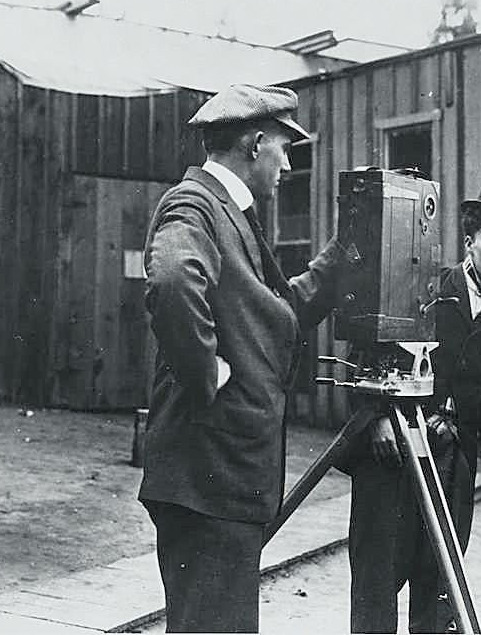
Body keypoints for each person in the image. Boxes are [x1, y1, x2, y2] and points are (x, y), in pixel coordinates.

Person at [138, 84, 348, 633]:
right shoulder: (196, 204)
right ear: (255, 143)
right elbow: (171, 278)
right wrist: (207, 372)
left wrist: (347, 248)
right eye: (284, 146)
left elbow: (280, 310)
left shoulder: (231, 212)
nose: (288, 161)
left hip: (224, 478)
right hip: (208, 476)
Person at [347, 175, 481, 633]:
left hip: (453, 468)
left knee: (440, 586)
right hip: (393, 456)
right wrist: (375, 425)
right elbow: (363, 362)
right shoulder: (424, 290)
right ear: (469, 242)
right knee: (378, 583)